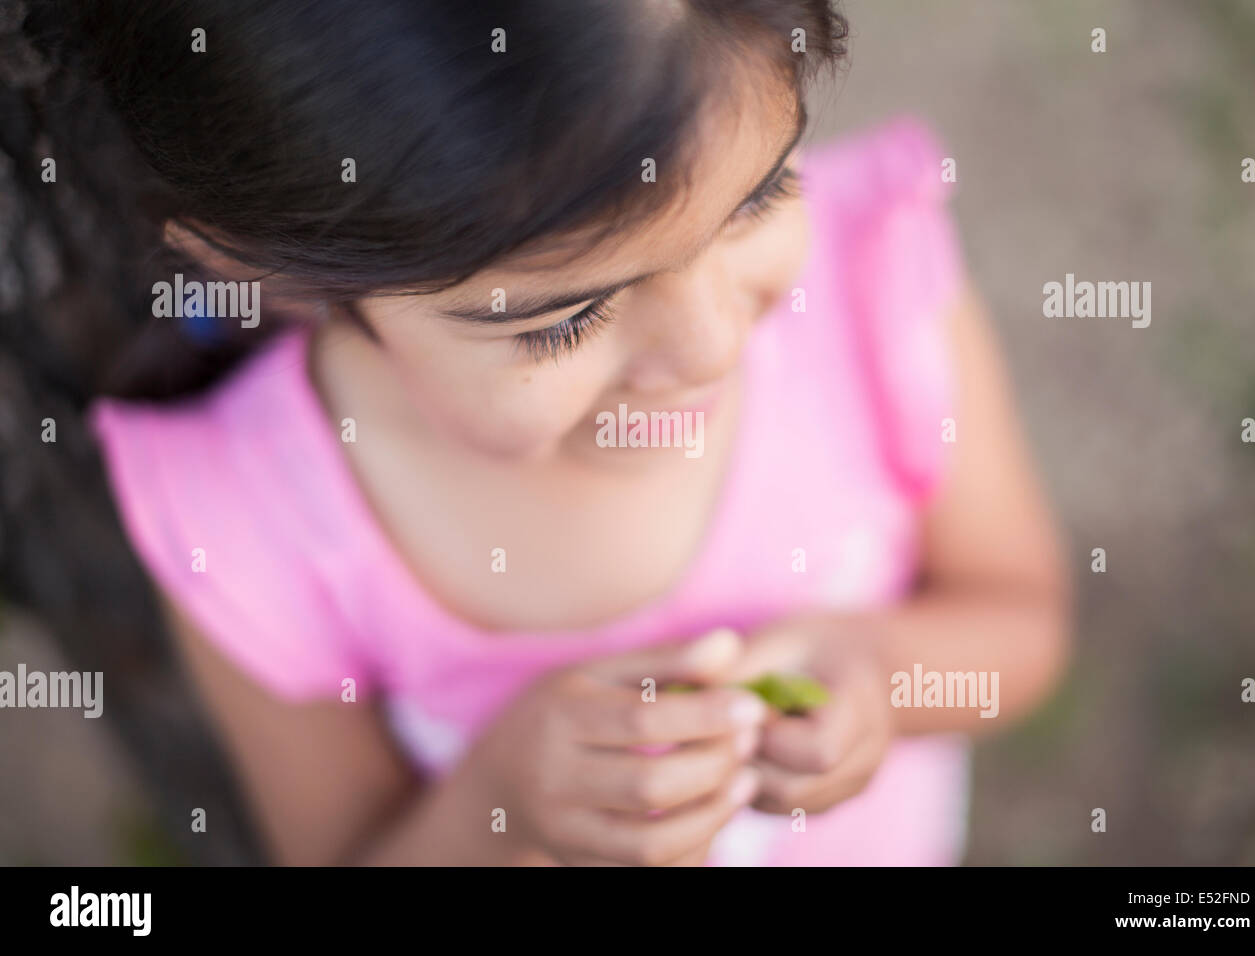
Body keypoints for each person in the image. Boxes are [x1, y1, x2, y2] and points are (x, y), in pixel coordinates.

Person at [9, 0, 1070, 865]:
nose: (707, 347)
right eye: (565, 315)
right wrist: (499, 801)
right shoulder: (250, 519)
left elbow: (1022, 625)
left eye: (757, 196)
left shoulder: (872, 282)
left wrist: (881, 672)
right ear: (267, 273)